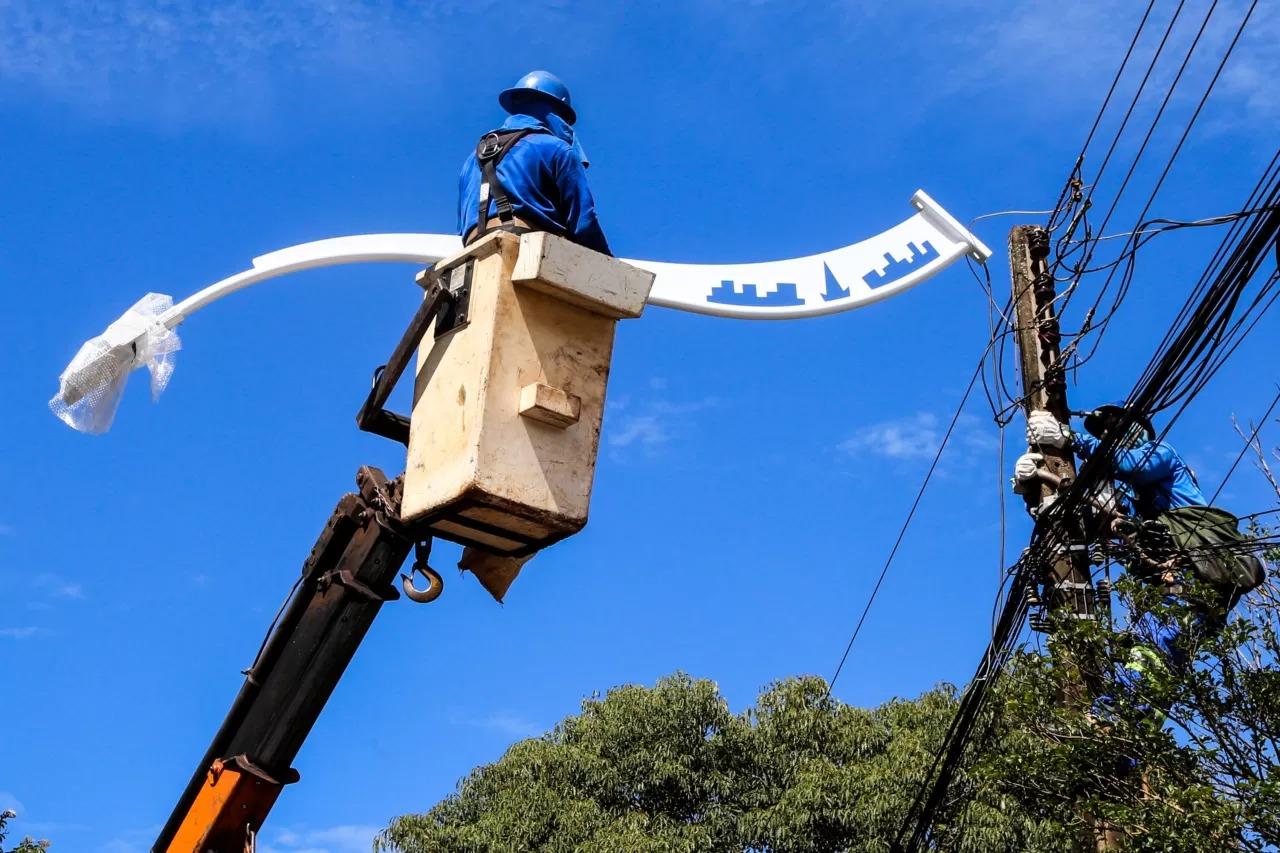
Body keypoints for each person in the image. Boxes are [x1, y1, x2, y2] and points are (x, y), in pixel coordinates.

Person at [1017, 403, 1265, 707]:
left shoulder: (1162, 455)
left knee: (1157, 647)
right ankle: (1124, 726)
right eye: (1103, 431)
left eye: (1112, 427)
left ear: (1137, 429)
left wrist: (1070, 438)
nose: (1107, 434)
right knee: (1151, 651)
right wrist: (1037, 487)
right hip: (1180, 583)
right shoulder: (1136, 505)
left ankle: (1114, 718)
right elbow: (1093, 521)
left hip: (1201, 575)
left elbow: (1131, 465)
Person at [458, 70, 611, 255]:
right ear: (556, 112)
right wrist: (609, 263)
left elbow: (462, 226)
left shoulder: (472, 159)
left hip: (473, 255)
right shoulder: (556, 148)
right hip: (525, 249)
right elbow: (584, 223)